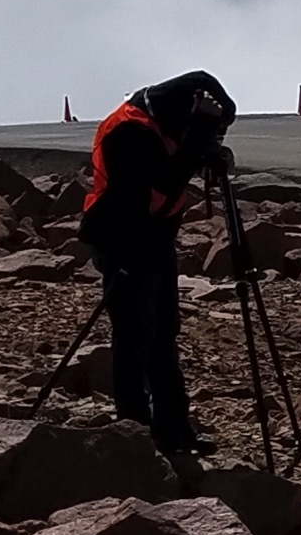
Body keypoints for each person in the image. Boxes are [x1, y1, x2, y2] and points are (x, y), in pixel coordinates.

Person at [78, 71, 237, 456]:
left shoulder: (164, 121)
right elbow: (161, 190)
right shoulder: (130, 131)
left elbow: (172, 180)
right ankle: (135, 436)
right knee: (135, 338)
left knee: (164, 333)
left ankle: (174, 430)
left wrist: (207, 145)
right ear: (182, 112)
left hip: (154, 239)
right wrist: (197, 139)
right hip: (124, 241)